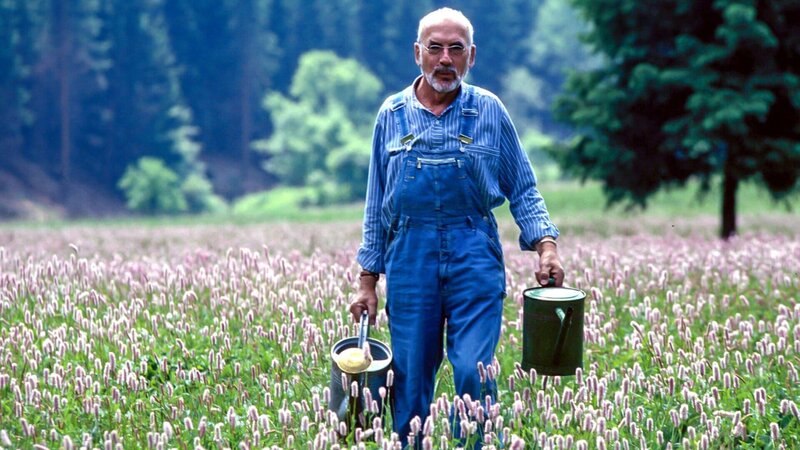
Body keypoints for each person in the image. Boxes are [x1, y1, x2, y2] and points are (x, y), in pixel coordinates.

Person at [350, 7, 564, 448]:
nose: (444, 58)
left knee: (474, 370)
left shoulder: (490, 110)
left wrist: (546, 246)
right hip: (409, 255)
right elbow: (376, 205)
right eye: (435, 48)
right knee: (409, 379)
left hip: (474, 251)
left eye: (456, 49)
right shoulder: (391, 114)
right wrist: (367, 280)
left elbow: (523, 187)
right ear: (417, 53)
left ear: (472, 56)